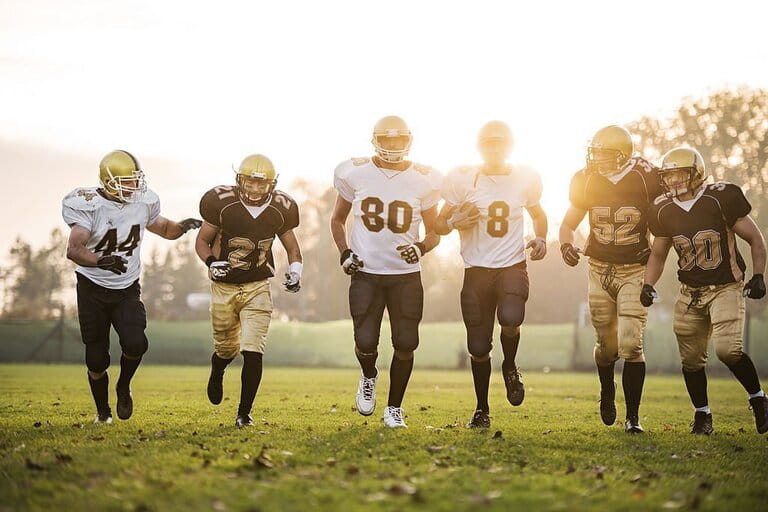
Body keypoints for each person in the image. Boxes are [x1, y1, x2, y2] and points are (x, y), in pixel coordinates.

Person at [63, 150, 201, 423]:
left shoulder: (143, 202)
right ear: (108, 181)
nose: (134, 186)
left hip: (126, 286)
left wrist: (181, 227)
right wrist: (100, 261)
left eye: (135, 180)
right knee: (96, 359)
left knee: (137, 343)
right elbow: (74, 249)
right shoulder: (89, 205)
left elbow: (162, 227)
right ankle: (103, 412)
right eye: (127, 181)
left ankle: (124, 385)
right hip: (92, 287)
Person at [643, 147, 767, 435]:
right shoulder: (662, 208)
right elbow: (659, 254)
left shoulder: (720, 197)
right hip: (690, 292)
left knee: (727, 350)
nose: (673, 181)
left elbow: (755, 238)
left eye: (679, 174)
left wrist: (759, 275)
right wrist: (648, 284)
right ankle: (703, 415)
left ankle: (759, 399)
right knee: (690, 359)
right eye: (668, 175)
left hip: (726, 286)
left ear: (696, 173)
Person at [330, 115, 441, 428]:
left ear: (408, 141)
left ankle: (394, 408)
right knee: (365, 342)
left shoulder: (424, 178)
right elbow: (337, 220)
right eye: (387, 139)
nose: (392, 146)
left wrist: (420, 247)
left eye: (398, 140)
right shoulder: (356, 172)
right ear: (375, 140)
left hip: (405, 275)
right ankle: (368, 375)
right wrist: (344, 254)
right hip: (365, 272)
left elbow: (435, 232)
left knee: (406, 343)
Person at [436, 121, 547, 428]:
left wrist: (540, 238)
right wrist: (453, 219)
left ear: (509, 146)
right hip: (476, 270)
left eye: (499, 143)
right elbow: (439, 225)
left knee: (511, 319)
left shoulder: (524, 177)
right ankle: (482, 409)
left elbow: (538, 215)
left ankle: (510, 364)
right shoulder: (463, 180)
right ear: (480, 147)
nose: (494, 149)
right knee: (478, 347)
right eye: (489, 144)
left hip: (512, 265)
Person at [558, 125, 661, 433]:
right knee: (607, 347)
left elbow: (664, 225)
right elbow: (567, 223)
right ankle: (607, 390)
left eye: (604, 154)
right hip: (599, 269)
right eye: (596, 153)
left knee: (631, 342)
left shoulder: (645, 177)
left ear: (623, 155)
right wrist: (565, 244)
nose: (597, 160)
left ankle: (633, 417)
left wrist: (656, 272)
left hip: (634, 268)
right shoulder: (587, 179)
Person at [195, 154, 302, 428]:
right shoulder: (221, 203)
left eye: (261, 184)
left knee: (253, 349)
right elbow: (202, 241)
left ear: (272, 184)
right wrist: (211, 262)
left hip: (258, 286)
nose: (255, 189)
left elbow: (292, 247)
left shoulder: (281, 208)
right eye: (249, 183)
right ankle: (218, 368)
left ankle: (244, 413)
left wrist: (296, 271)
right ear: (239, 180)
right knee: (226, 350)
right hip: (224, 287)